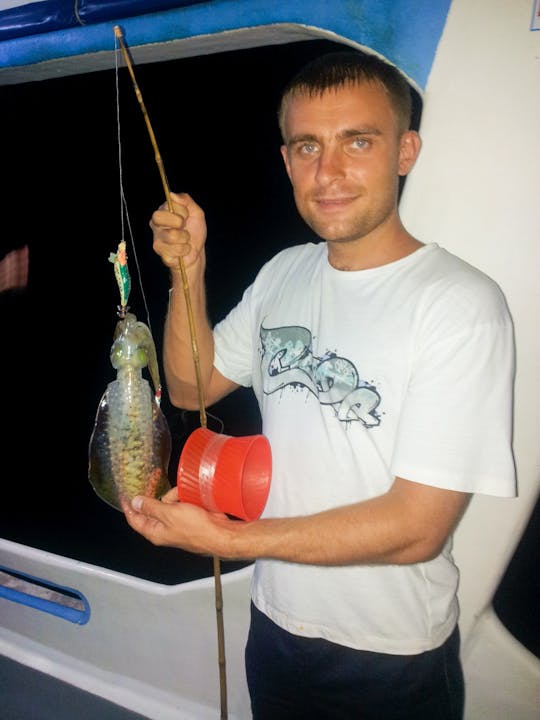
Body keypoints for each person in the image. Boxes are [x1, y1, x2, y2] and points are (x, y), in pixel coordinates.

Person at [124, 51, 516, 719]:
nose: (327, 172)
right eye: (308, 146)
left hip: (389, 655)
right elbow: (192, 388)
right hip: (275, 624)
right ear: (285, 161)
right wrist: (188, 273)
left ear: (405, 150)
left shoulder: (458, 302)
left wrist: (228, 541)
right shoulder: (285, 273)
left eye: (357, 141)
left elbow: (416, 528)